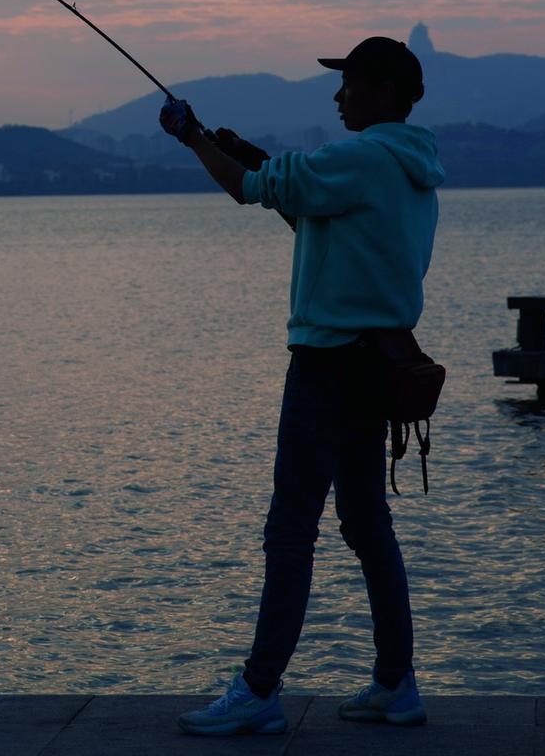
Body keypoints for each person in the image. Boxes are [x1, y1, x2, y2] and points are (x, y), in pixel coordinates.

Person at [159, 36, 444, 737]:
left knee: (291, 531)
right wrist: (250, 155)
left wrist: (193, 137)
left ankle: (258, 690)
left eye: (349, 84)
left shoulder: (361, 156)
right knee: (367, 526)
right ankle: (395, 683)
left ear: (382, 91)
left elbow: (250, 189)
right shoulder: (412, 167)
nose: (338, 96)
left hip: (327, 368)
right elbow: (304, 205)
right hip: (378, 366)